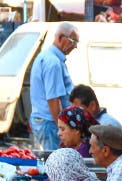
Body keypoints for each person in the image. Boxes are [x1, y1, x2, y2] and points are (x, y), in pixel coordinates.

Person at [29, 22, 78, 151]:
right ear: (61, 38)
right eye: (73, 41)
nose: (75, 46)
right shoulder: (53, 63)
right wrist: (61, 129)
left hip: (46, 121)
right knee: (56, 164)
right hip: (50, 122)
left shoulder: (48, 57)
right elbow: (53, 100)